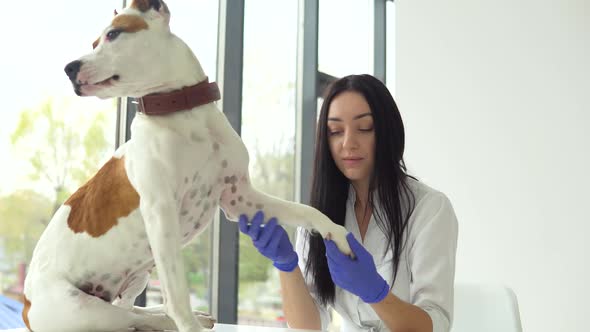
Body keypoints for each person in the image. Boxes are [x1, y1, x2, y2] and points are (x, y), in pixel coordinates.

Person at [239, 74, 458, 332]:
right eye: (335, 131)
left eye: (364, 128)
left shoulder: (430, 210)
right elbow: (309, 326)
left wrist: (377, 294)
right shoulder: (319, 215)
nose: (347, 143)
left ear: (388, 131)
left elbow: (437, 325)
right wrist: (287, 265)